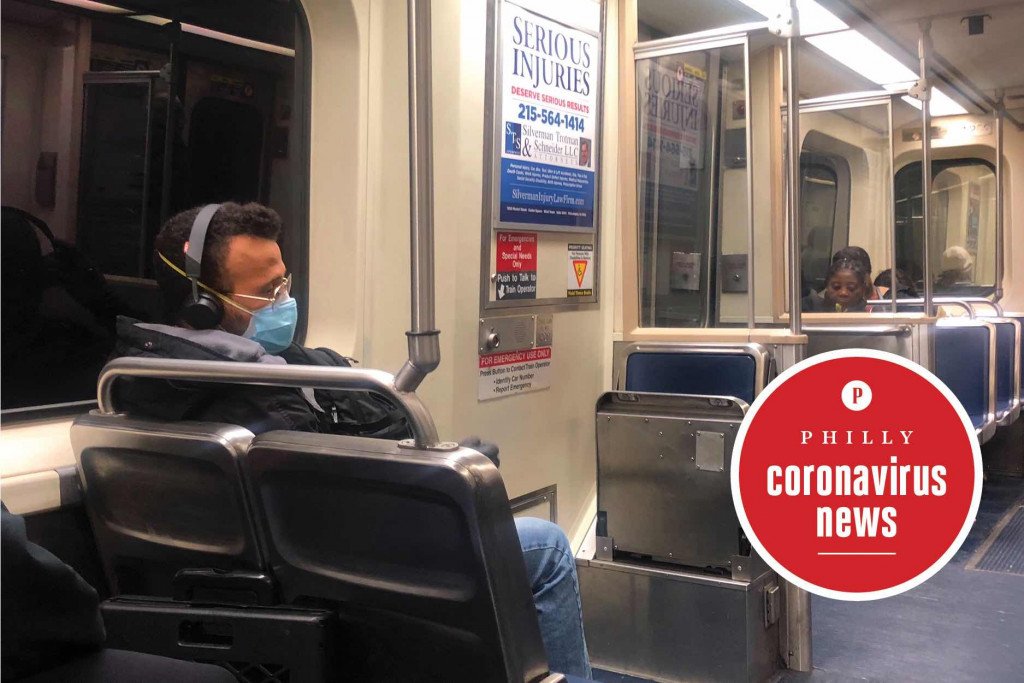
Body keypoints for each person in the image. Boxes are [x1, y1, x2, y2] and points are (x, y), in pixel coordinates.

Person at [109, 202, 591, 678]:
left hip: (304, 568)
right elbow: (332, 521)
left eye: (284, 282)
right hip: (337, 581)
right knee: (545, 548)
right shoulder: (244, 398)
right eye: (266, 291)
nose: (283, 300)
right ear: (204, 303)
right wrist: (446, 488)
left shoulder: (142, 377)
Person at [802, 258, 871, 312]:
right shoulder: (808, 308)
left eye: (851, 288)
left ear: (863, 289)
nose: (843, 292)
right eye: (836, 287)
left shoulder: (872, 313)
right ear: (827, 286)